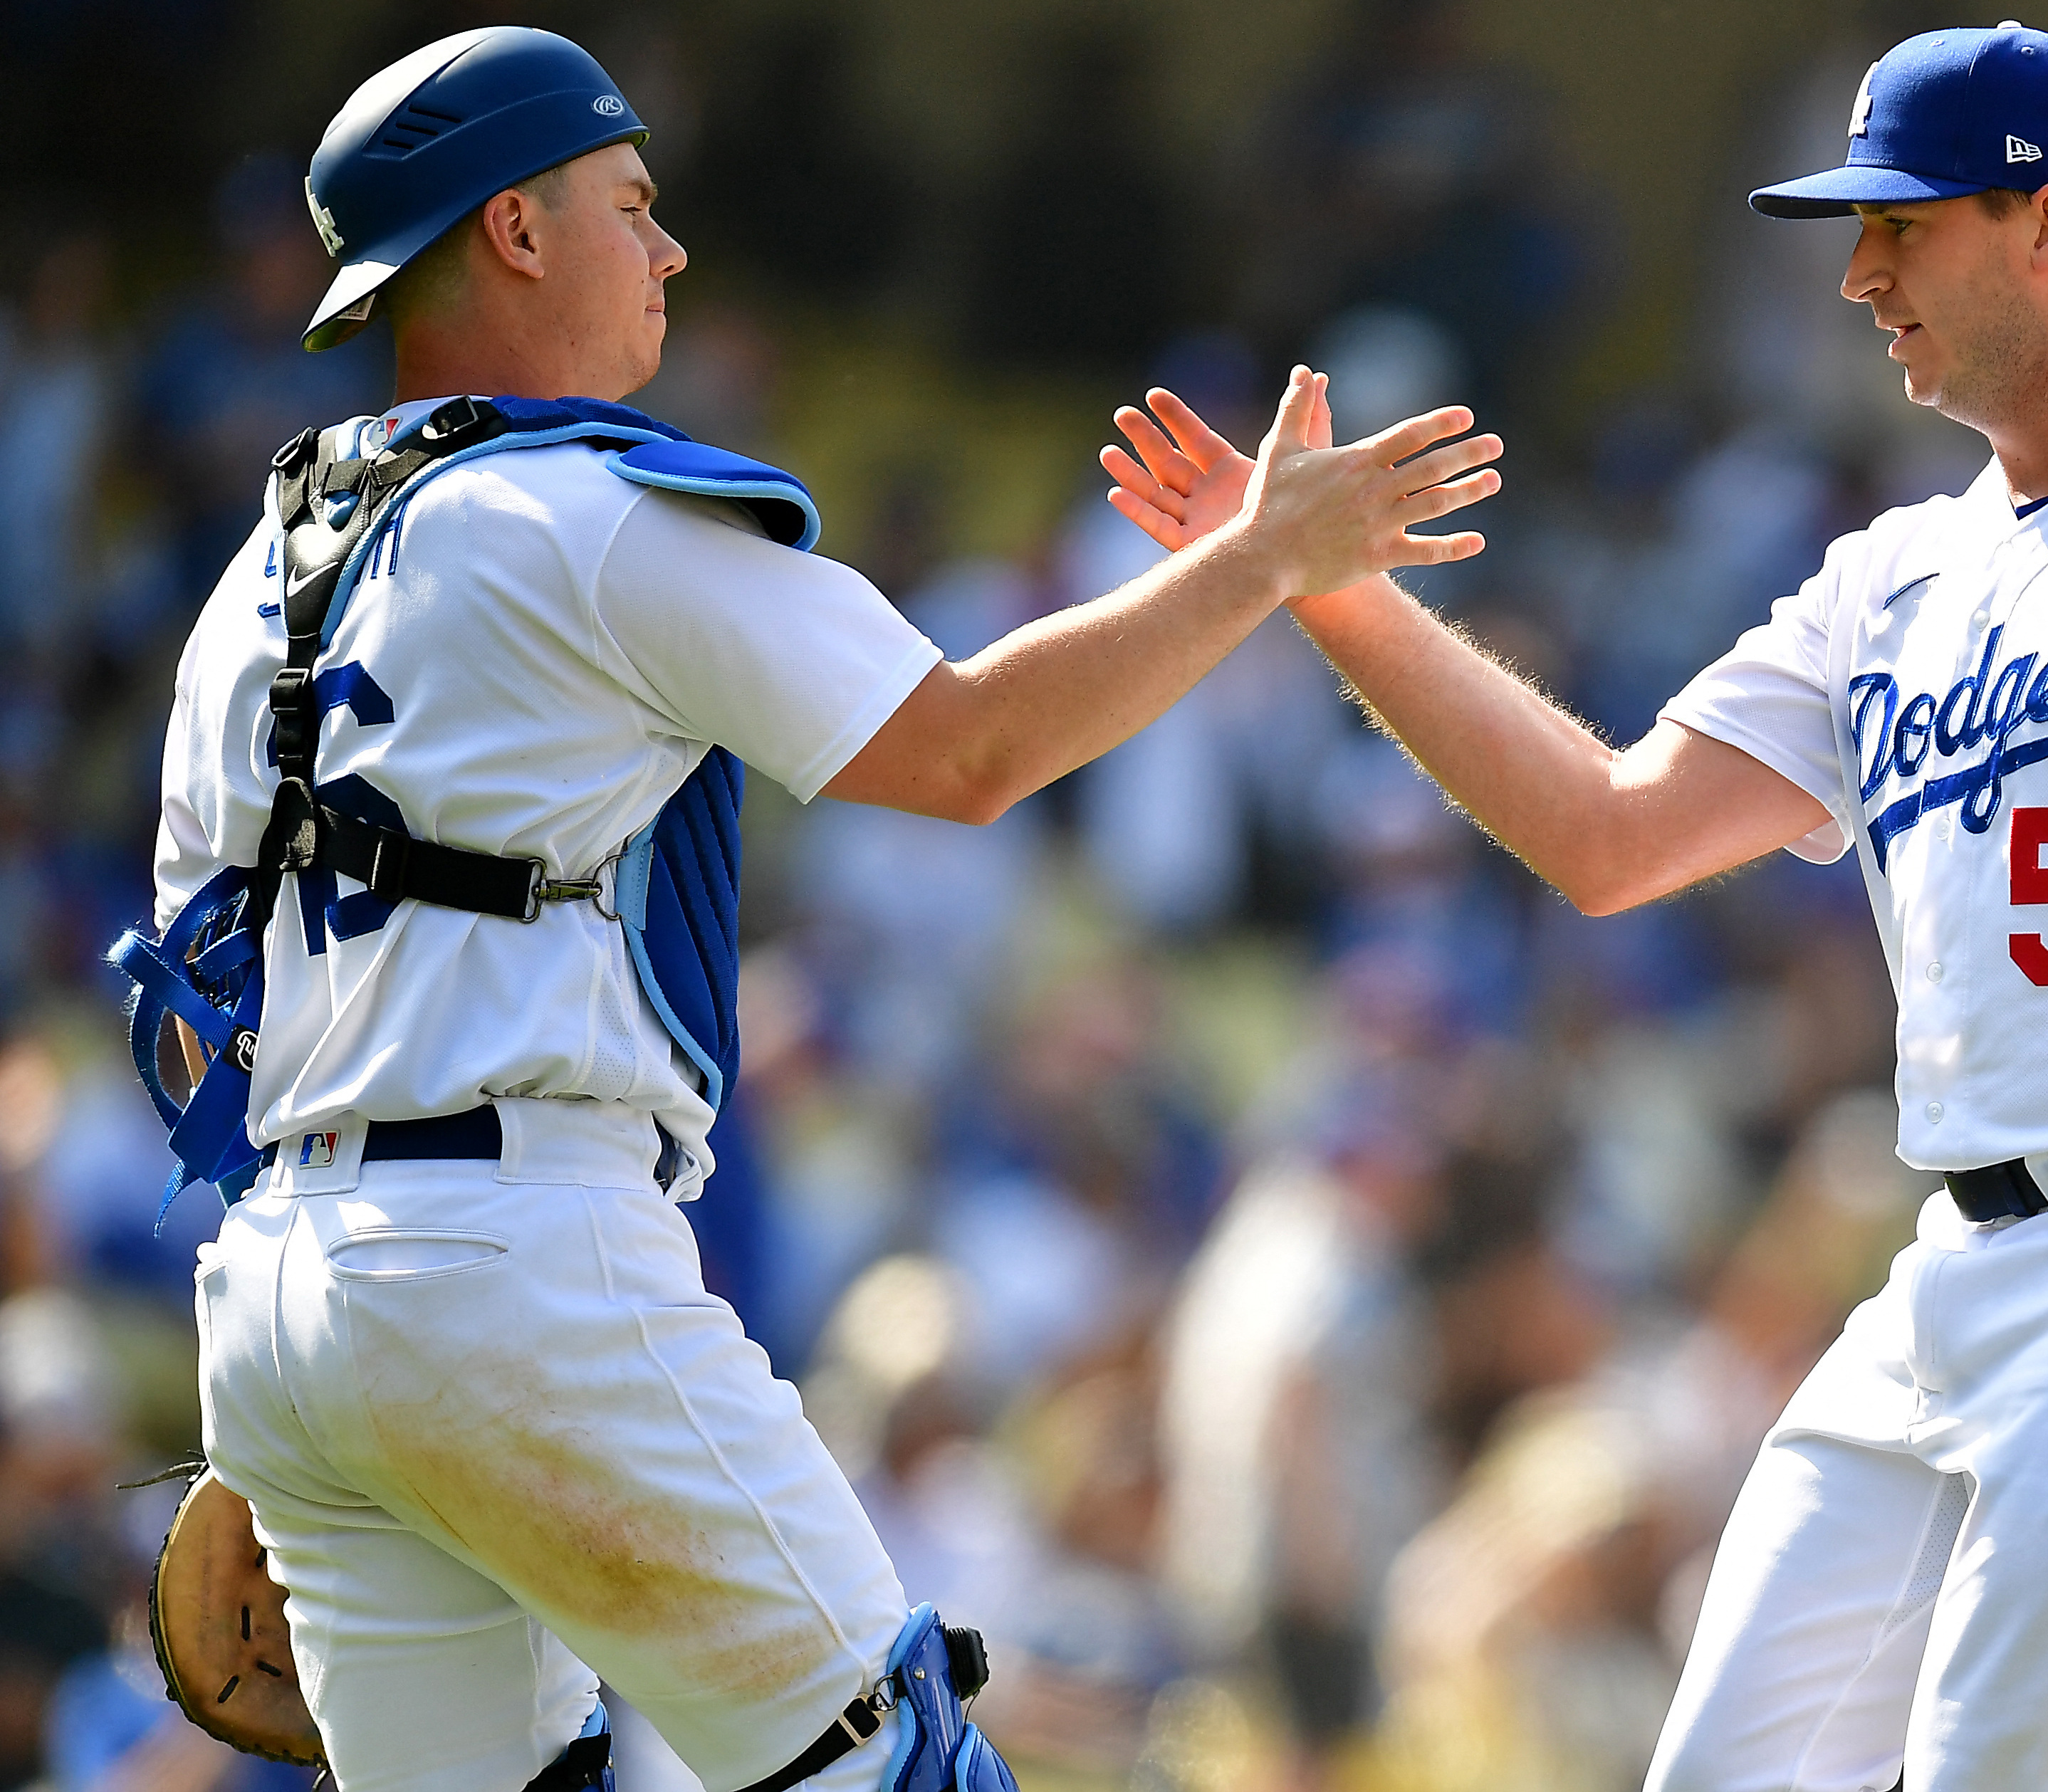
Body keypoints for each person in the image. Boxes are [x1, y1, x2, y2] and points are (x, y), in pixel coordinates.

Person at [1100, 24, 2048, 1791]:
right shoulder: (1893, 575)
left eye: (1900, 226)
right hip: (1949, 1270)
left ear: (2047, 221)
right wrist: (1328, 598)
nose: (1854, 275)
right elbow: (1613, 835)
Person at [133, 26, 1498, 1792]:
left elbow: (188, 1025)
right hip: (516, 1266)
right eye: (631, 204)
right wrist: (1258, 559)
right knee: (899, 1768)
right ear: (520, 234)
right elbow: (974, 748)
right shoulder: (586, 512)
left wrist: (334, 1368)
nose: (673, 247)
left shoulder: (253, 585)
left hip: (281, 1314)